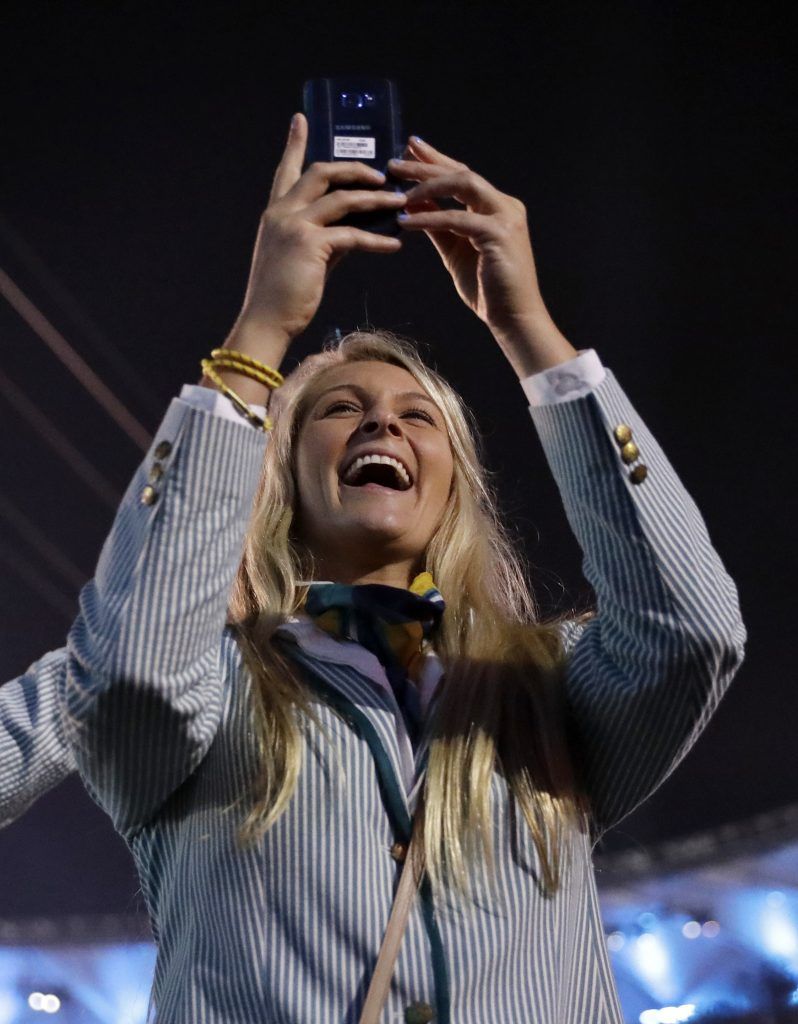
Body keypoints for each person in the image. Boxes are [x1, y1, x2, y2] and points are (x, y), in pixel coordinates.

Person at [59, 112, 745, 1023]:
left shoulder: (550, 691)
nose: (383, 422)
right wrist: (261, 332)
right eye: (340, 409)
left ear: (456, 486)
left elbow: (691, 631)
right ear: (282, 475)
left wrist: (529, 331)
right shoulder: (211, 681)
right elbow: (127, 675)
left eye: (419, 418)